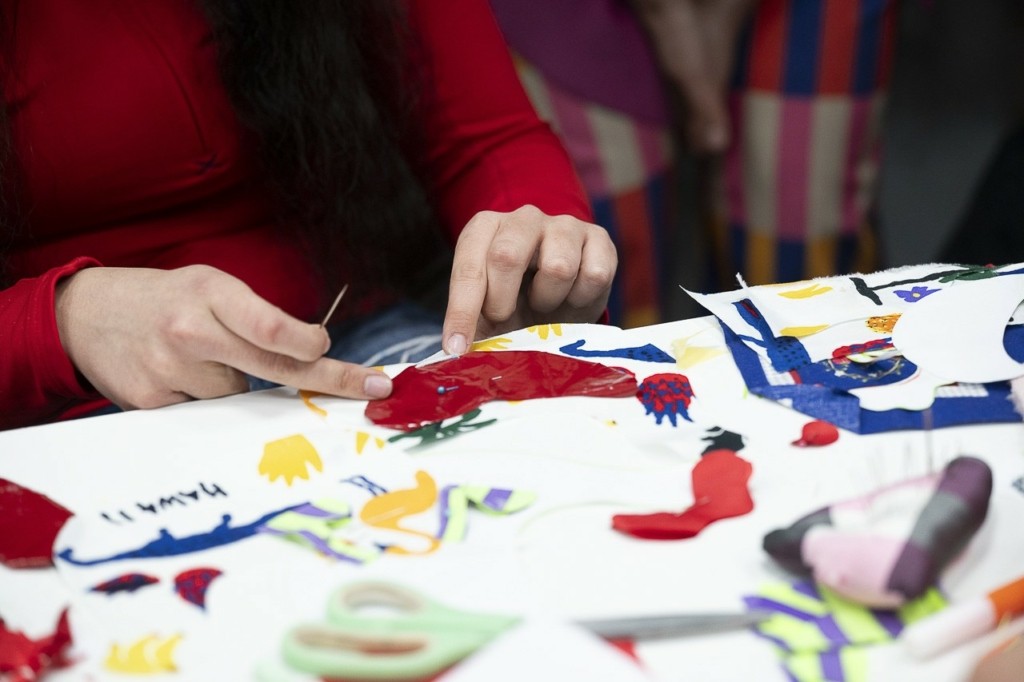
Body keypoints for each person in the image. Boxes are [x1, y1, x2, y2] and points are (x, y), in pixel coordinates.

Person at [0, 0, 617, 430]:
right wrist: (60, 321)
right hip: (74, 404)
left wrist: (526, 246)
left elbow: (483, 138)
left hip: (367, 330)